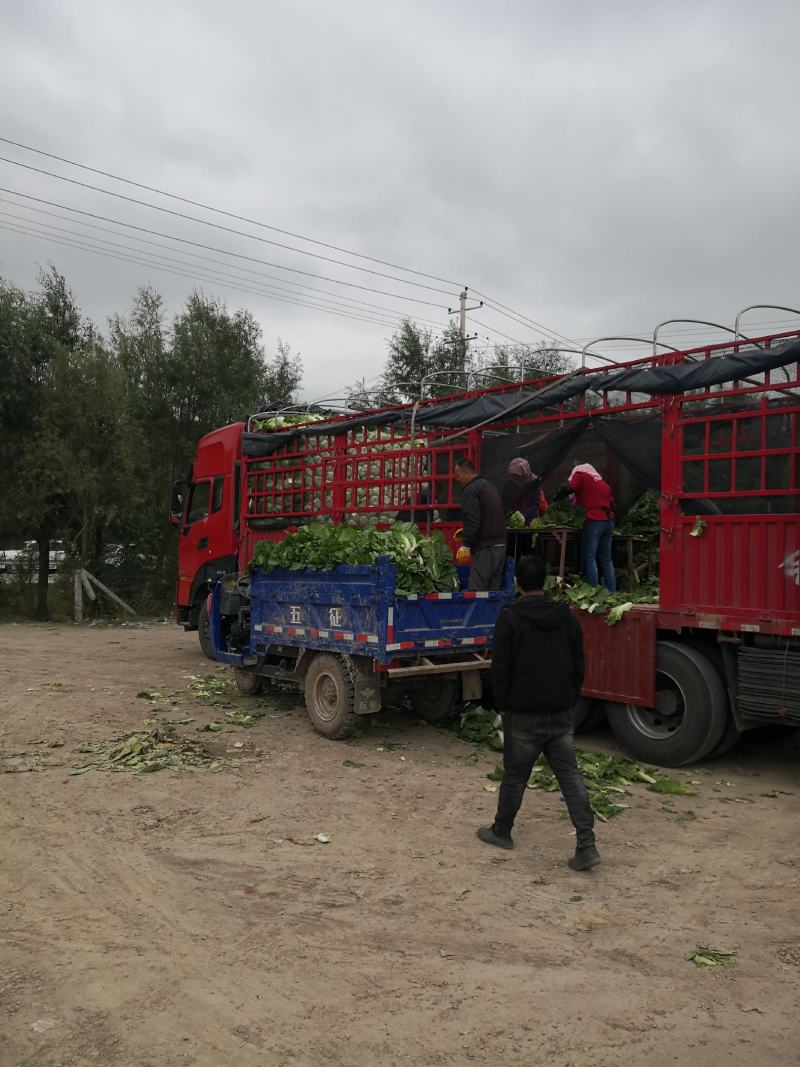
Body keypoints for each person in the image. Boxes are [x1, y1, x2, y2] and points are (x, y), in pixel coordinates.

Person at [477, 555, 599, 871]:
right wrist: (571, 698)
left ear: (516, 582)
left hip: (523, 712)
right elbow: (578, 663)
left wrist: (503, 705)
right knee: (570, 776)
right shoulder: (566, 617)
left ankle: (502, 831)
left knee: (515, 777)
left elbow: (500, 669)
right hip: (560, 710)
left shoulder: (510, 617)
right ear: (544, 581)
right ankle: (586, 845)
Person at [454, 458, 507, 591]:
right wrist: (465, 531)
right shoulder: (487, 485)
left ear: (466, 472)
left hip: (486, 548)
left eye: (458, 475)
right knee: (493, 593)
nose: (457, 479)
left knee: (477, 591)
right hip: (500, 545)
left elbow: (473, 519)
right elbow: (486, 514)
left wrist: (466, 544)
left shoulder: (471, 490)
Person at [568, 463, 616, 592]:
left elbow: (572, 487)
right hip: (609, 521)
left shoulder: (580, 475)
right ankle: (612, 592)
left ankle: (592, 592)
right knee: (606, 559)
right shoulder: (603, 484)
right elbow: (612, 502)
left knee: (590, 558)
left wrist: (563, 492)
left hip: (595, 520)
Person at [502, 457, 548, 523]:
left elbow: (536, 503)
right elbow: (504, 502)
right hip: (512, 520)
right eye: (513, 475)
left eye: (517, 475)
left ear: (524, 473)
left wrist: (524, 514)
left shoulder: (534, 483)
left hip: (531, 521)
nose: (515, 477)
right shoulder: (508, 485)